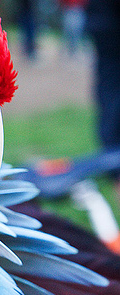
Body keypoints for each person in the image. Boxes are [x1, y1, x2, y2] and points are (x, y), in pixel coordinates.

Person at [86, 0, 120, 184]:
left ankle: (112, 160)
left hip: (103, 19)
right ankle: (113, 163)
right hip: (106, 21)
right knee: (111, 92)